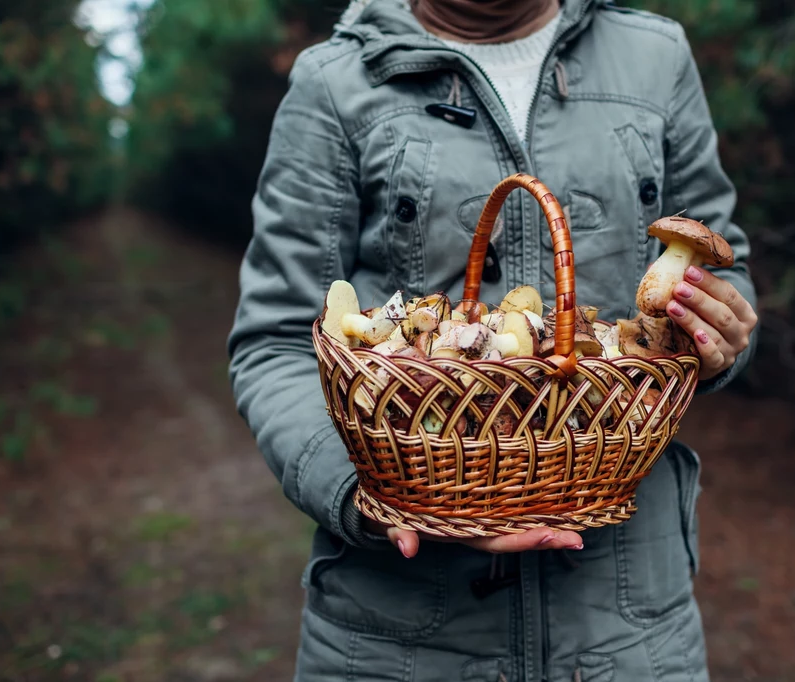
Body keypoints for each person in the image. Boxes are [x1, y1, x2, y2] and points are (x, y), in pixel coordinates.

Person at [227, 0, 759, 679]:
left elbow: (727, 269)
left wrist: (723, 335)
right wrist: (378, 496)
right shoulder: (335, 80)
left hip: (628, 632)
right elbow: (276, 341)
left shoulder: (654, 57)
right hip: (398, 639)